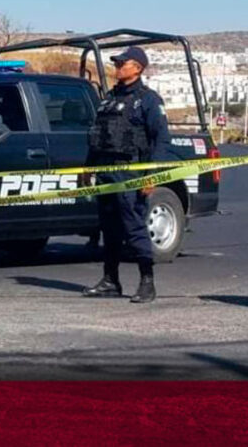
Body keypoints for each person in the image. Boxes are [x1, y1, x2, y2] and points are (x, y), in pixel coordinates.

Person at [82, 46, 171, 304]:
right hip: (106, 171)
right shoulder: (109, 99)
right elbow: (99, 136)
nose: (118, 66)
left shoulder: (149, 100)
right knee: (109, 228)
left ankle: (147, 282)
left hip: (130, 172)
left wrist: (151, 175)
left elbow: (162, 140)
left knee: (133, 227)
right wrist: (88, 168)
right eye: (117, 63)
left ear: (138, 68)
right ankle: (111, 280)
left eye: (123, 63)